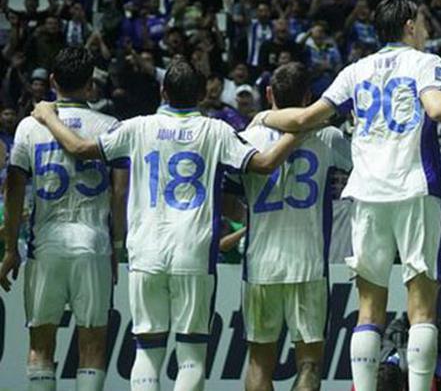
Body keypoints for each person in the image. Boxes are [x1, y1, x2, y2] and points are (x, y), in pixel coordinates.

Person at [253, 0, 441, 391]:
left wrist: (264, 116)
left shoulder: (355, 70)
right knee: (421, 309)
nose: (424, 30)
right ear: (408, 25)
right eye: (421, 22)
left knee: (369, 309)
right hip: (414, 189)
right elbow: (437, 109)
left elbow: (303, 118)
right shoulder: (426, 62)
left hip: (367, 194)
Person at [28, 60, 302, 391]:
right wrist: (300, 127)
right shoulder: (216, 130)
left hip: (146, 251)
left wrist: (49, 116)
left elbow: (79, 148)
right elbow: (265, 163)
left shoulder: (138, 126)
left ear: (162, 91)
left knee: (147, 350)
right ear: (201, 95)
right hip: (193, 252)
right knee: (191, 356)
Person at [0, 47, 119, 391]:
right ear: (91, 85)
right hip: (93, 245)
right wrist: (116, 245)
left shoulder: (28, 126)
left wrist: (11, 249)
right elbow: (120, 192)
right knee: (92, 347)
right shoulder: (110, 126)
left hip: (45, 246)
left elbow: (13, 189)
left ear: (52, 81)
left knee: (40, 346)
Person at [237, 63, 351, 391]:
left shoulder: (249, 136)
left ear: (269, 94)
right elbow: (359, 166)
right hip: (309, 261)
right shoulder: (328, 137)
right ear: (308, 98)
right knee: (310, 363)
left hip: (261, 264)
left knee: (259, 363)